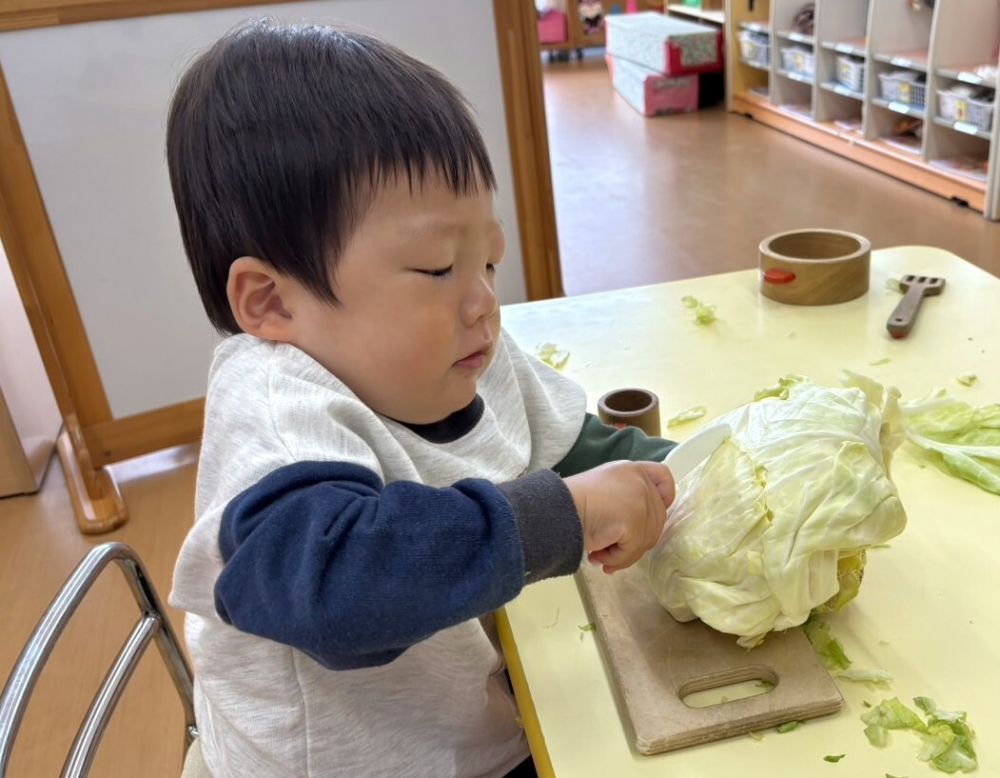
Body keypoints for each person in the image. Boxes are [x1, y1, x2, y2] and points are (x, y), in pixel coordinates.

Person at [167, 18, 676, 778]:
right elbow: (336, 590)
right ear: (272, 302)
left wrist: (693, 476)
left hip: (473, 716)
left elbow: (572, 444)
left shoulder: (459, 349)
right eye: (438, 269)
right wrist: (564, 515)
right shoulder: (279, 414)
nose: (482, 304)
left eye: (489, 264)